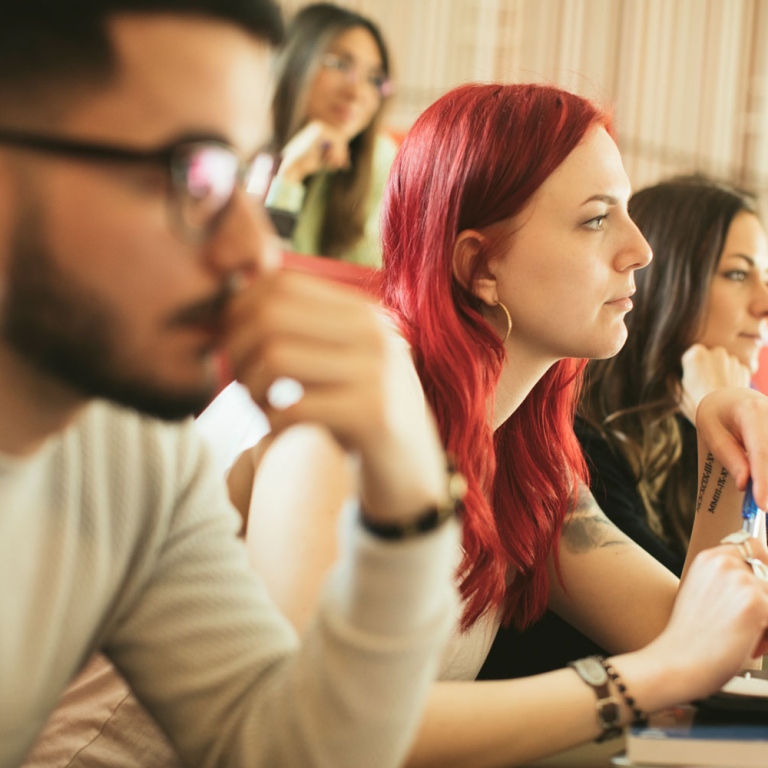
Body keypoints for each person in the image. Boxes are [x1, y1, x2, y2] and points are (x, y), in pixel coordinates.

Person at [24, 83, 768, 768]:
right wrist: (641, 683)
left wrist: (715, 455)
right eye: (596, 218)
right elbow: (313, 729)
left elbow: (687, 637)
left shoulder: (519, 442)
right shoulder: (362, 389)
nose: (639, 250)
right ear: (480, 265)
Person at [0, 2, 462, 767]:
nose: (256, 249)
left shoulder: (143, 462)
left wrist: (408, 509)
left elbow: (286, 749)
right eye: (196, 173)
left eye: (249, 178)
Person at [478, 174, 768, 681]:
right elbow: (713, 647)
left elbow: (728, 647)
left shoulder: (540, 456)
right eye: (738, 275)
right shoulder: (583, 444)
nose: (639, 252)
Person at [264, 2, 397, 267]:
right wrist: (289, 175)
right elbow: (249, 273)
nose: (357, 92)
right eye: (338, 64)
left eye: (374, 78)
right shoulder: (240, 143)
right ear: (295, 61)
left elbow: (372, 283)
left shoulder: (381, 161)